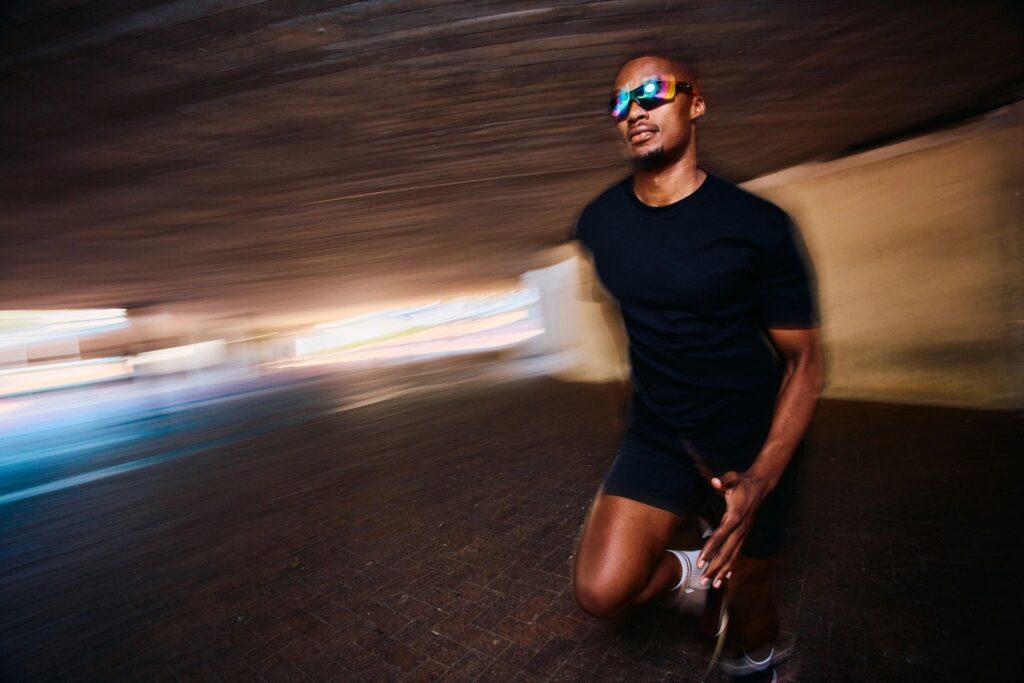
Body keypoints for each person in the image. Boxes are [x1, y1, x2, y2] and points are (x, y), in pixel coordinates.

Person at [571, 53, 825, 682]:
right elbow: (627, 311)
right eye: (622, 102)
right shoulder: (599, 223)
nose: (636, 111)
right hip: (659, 434)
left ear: (696, 103)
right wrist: (636, 390)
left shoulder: (756, 226)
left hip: (748, 440)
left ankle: (758, 665)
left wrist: (763, 476)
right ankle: (688, 573)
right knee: (601, 592)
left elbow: (805, 361)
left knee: (749, 609)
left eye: (653, 93)